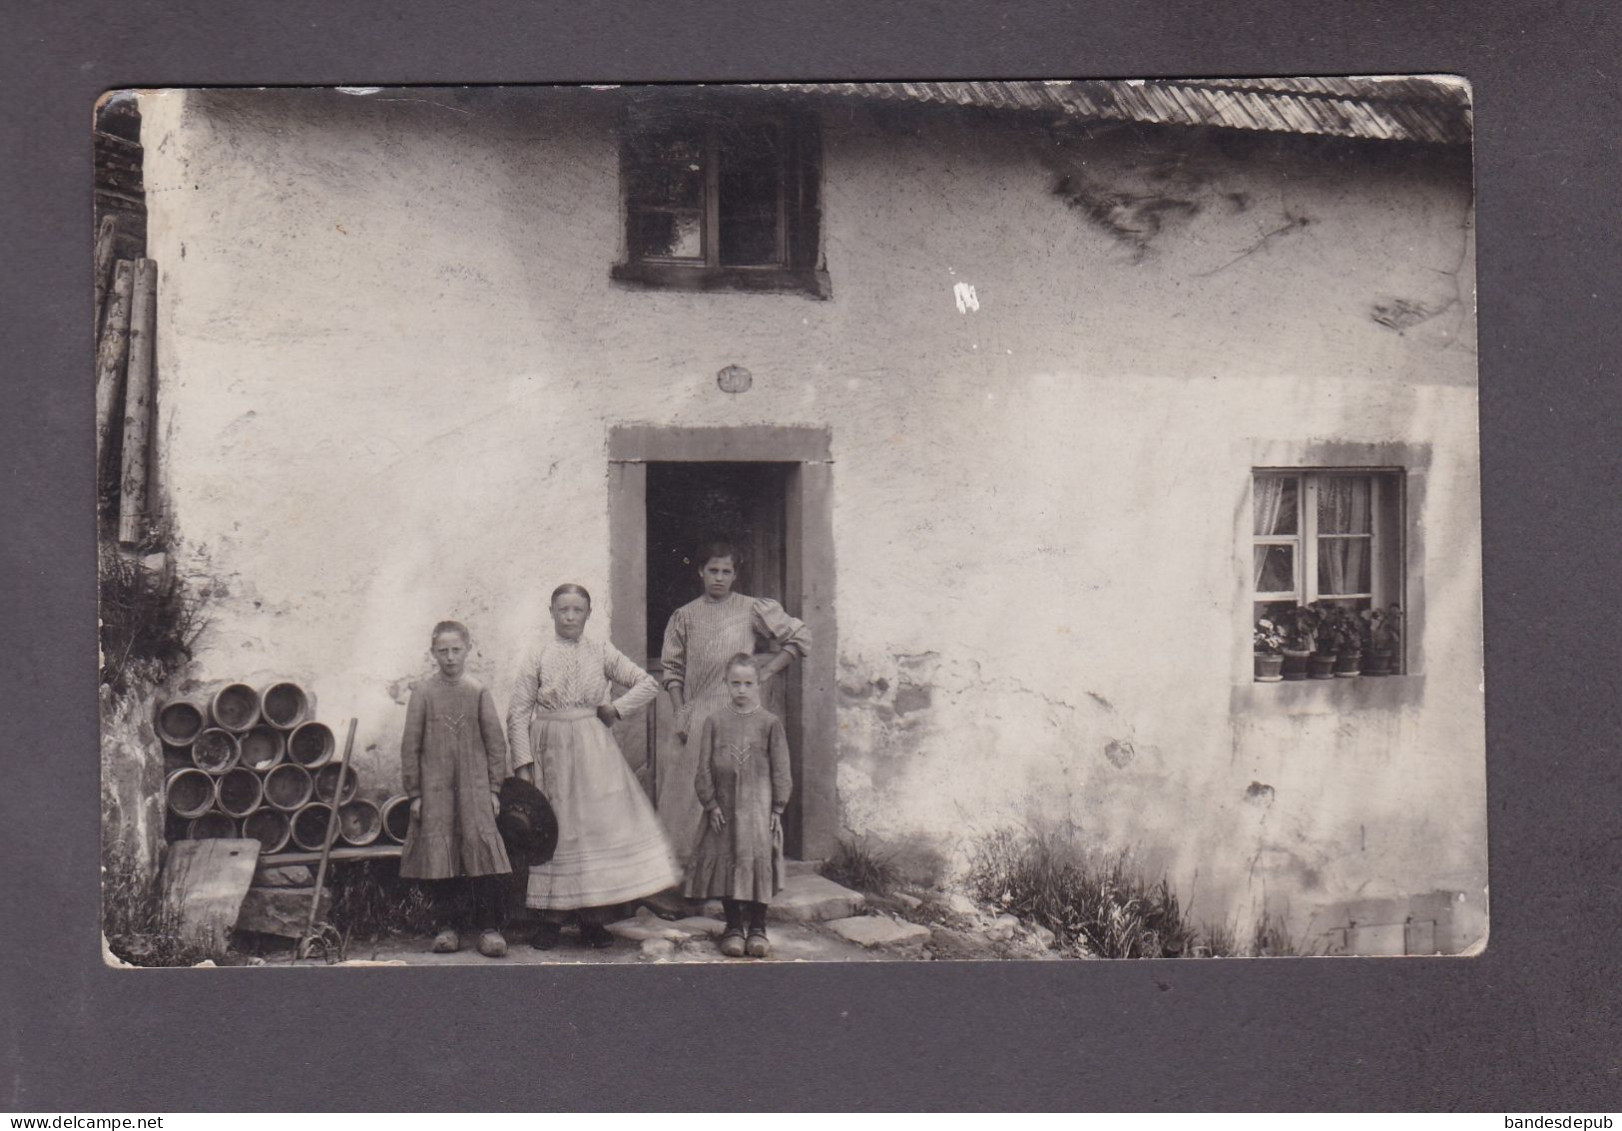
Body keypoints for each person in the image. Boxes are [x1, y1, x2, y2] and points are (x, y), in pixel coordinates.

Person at [507, 583, 680, 949]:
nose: (570, 617)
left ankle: (593, 921)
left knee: (593, 829)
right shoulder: (538, 653)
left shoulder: (600, 649)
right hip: (550, 746)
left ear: (588, 613)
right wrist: (523, 764)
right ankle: (550, 920)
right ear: (551, 611)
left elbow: (647, 683)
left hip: (592, 749)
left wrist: (616, 709)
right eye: (563, 610)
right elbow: (519, 711)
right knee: (554, 829)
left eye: (577, 610)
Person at [659, 542, 810, 859]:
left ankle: (734, 876)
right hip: (698, 712)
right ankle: (686, 876)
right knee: (689, 795)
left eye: (726, 572)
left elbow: (799, 637)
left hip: (738, 714)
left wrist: (767, 670)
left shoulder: (752, 609)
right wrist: (681, 710)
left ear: (735, 575)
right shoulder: (684, 616)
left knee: (735, 792)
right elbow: (672, 669)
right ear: (701, 571)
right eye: (713, 570)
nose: (719, 578)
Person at [397, 620, 512, 958]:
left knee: (482, 856)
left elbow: (496, 744)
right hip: (436, 790)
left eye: (456, 650)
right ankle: (447, 927)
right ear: (433, 652)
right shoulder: (423, 693)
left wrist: (493, 788)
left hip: (474, 788)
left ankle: (489, 929)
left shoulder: (477, 691)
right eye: (443, 651)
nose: (450, 657)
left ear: (468, 649)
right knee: (441, 859)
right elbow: (410, 746)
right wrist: (415, 794)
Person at [683, 654, 792, 958]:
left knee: (759, 864)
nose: (741, 690)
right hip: (725, 811)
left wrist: (778, 808)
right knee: (728, 863)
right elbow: (703, 767)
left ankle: (758, 927)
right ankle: (733, 928)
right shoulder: (715, 721)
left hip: (759, 810)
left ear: (758, 684)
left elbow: (781, 769)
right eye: (735, 683)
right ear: (726, 684)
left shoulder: (770, 723)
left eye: (748, 683)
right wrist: (711, 804)